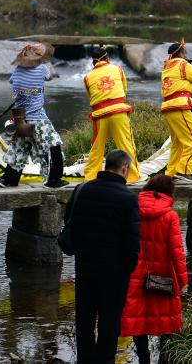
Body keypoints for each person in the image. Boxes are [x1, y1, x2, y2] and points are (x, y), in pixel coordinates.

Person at [66, 149, 141, 363]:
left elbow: (70, 222)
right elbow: (133, 241)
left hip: (85, 267)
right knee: (109, 324)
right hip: (114, 273)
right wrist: (128, 268)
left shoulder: (83, 189)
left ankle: (85, 360)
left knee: (85, 320)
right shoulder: (128, 198)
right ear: (124, 168)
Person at [119, 174, 189, 364]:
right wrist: (183, 282)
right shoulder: (170, 216)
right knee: (166, 320)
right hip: (164, 276)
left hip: (134, 276)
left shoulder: (132, 209)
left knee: (137, 321)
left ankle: (144, 359)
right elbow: (177, 252)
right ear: (169, 192)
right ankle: (165, 359)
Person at [0, 43, 65, 188]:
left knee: (20, 149)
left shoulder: (16, 70)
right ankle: (53, 180)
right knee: (53, 145)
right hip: (38, 118)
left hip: (20, 119)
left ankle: (8, 179)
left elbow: (12, 82)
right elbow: (50, 77)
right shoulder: (42, 69)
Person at [83, 47, 140, 183]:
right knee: (126, 144)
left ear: (93, 61)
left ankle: (90, 176)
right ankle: (132, 176)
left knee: (97, 147)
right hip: (118, 112)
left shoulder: (87, 77)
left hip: (100, 114)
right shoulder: (118, 69)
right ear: (107, 58)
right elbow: (124, 90)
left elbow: (90, 96)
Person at [159, 41, 192, 182]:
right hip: (179, 106)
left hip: (168, 107)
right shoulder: (184, 65)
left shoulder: (166, 67)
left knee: (178, 143)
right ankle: (184, 171)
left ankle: (170, 174)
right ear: (181, 53)